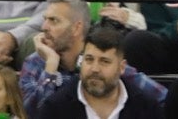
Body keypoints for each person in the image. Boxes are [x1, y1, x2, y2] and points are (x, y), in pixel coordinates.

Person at [20, 0, 164, 116]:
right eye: (45, 19)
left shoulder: (105, 61)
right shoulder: (34, 62)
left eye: (53, 20)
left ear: (77, 27)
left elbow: (163, 98)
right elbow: (30, 114)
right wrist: (50, 67)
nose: (44, 27)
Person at [37, 28, 167, 119]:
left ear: (122, 67)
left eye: (104, 61)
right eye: (89, 59)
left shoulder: (146, 108)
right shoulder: (55, 108)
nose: (95, 68)